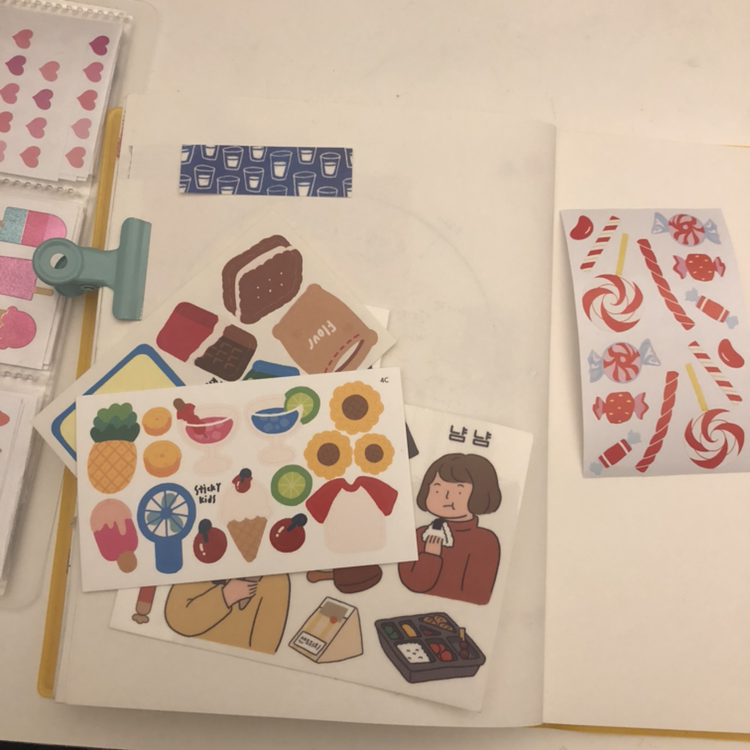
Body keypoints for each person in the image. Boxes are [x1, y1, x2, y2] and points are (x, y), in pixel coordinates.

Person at [398, 453, 501, 606]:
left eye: (459, 491)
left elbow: (477, 596)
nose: (446, 497)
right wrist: (430, 555)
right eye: (437, 489)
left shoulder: (485, 541)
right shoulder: (420, 535)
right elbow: (412, 584)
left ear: (479, 493)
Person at [165, 574, 290, 654]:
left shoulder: (276, 582)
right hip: (180, 655)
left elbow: (265, 646)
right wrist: (227, 595)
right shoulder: (202, 563)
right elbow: (178, 620)